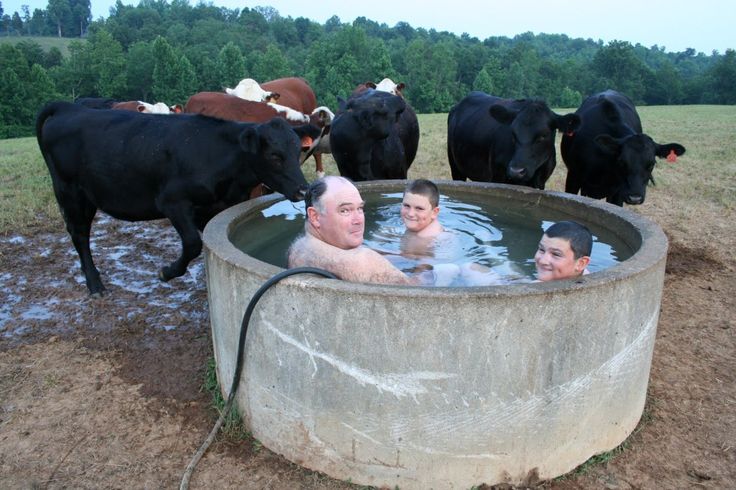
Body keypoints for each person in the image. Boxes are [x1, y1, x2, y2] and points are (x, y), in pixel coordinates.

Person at [288, 176, 416, 285]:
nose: (358, 220)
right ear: (315, 217)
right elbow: (419, 298)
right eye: (345, 210)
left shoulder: (299, 248)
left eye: (360, 208)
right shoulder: (364, 262)